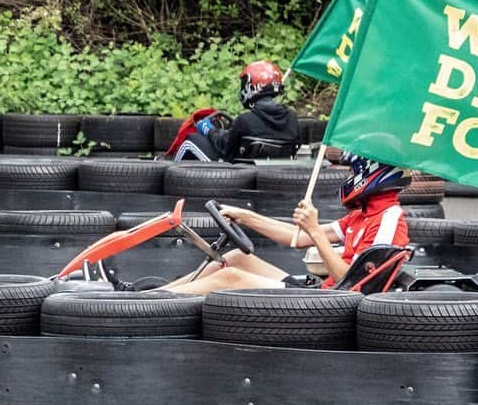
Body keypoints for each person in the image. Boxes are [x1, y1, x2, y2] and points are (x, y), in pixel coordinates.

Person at [158, 154, 410, 295]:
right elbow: (297, 238)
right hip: (322, 290)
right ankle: (152, 296)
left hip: (331, 303)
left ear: (372, 174)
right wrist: (246, 217)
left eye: (353, 174)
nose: (349, 179)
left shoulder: (388, 220)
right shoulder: (364, 215)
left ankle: (151, 307)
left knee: (231, 277)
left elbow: (355, 285)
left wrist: (314, 230)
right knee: (236, 258)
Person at [172, 60, 300, 162]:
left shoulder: (246, 120)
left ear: (253, 87)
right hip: (272, 177)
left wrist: (208, 130)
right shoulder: (292, 118)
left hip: (238, 176)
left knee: (191, 140)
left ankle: (170, 177)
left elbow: (225, 148)